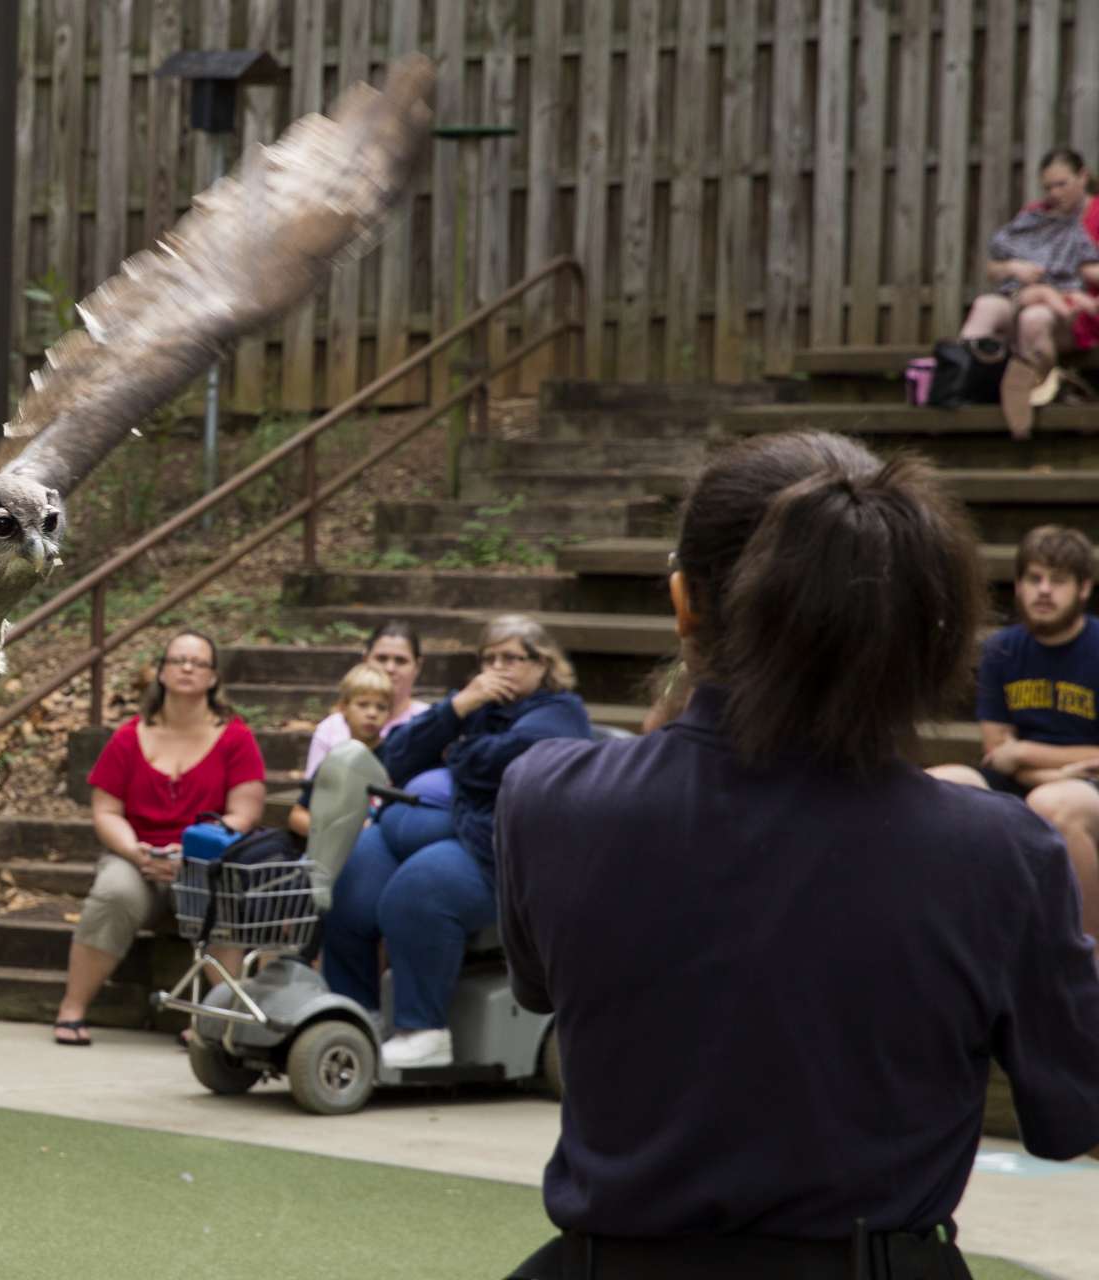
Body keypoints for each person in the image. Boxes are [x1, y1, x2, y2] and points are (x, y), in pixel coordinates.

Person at [495, 433, 1099, 1280]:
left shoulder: (548, 797)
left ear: (684, 602)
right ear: (922, 626)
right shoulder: (999, 854)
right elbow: (1072, 1112)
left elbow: (541, 987)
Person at [319, 614, 592, 1070]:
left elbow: (510, 762)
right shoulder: (477, 705)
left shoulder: (560, 713)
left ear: (542, 664)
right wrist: (456, 708)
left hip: (500, 855)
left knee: (417, 890)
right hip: (420, 833)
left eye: (510, 658)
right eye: (489, 658)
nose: (497, 668)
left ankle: (424, 1031)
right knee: (350, 878)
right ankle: (355, 1016)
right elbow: (393, 757)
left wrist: (456, 752)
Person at [52, 630, 266, 1046]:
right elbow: (106, 811)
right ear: (162, 672)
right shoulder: (128, 737)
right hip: (136, 856)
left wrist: (193, 851)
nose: (187, 668)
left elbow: (244, 814)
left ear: (213, 677)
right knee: (114, 893)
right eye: (177, 660)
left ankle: (223, 1018)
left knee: (219, 897)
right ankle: (72, 1008)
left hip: (205, 858)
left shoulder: (236, 738)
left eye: (198, 663)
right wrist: (136, 852)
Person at [929, 525, 1099, 942]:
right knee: (939, 784)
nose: (1044, 590)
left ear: (1084, 588)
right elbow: (996, 750)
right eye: (1034, 578)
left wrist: (1024, 753)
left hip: (1087, 786)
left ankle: (1088, 954)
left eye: (1058, 580)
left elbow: (1012, 752)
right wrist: (1056, 771)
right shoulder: (1001, 649)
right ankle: (956, 944)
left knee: (1054, 804)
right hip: (1041, 776)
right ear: (1018, 586)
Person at [958, 147, 1099, 438]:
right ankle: (959, 382)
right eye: (1048, 187)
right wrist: (1013, 267)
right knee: (985, 305)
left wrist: (1079, 279)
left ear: (1083, 177)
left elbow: (1088, 272)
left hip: (1075, 313)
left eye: (1061, 184)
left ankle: (1025, 389)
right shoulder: (1036, 215)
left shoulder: (1093, 218)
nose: (1054, 193)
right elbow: (993, 267)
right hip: (1025, 297)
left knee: (1034, 317)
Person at [301, 620, 430, 781]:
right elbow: (314, 790)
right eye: (381, 658)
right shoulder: (332, 728)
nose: (390, 668)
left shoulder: (428, 723)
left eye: (400, 661)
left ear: (418, 665)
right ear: (365, 659)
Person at [288, 661, 395, 839]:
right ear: (343, 708)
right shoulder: (336, 760)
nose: (372, 713)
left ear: (389, 714)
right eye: (363, 704)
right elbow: (297, 816)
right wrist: (336, 832)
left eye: (381, 707)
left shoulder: (395, 757)